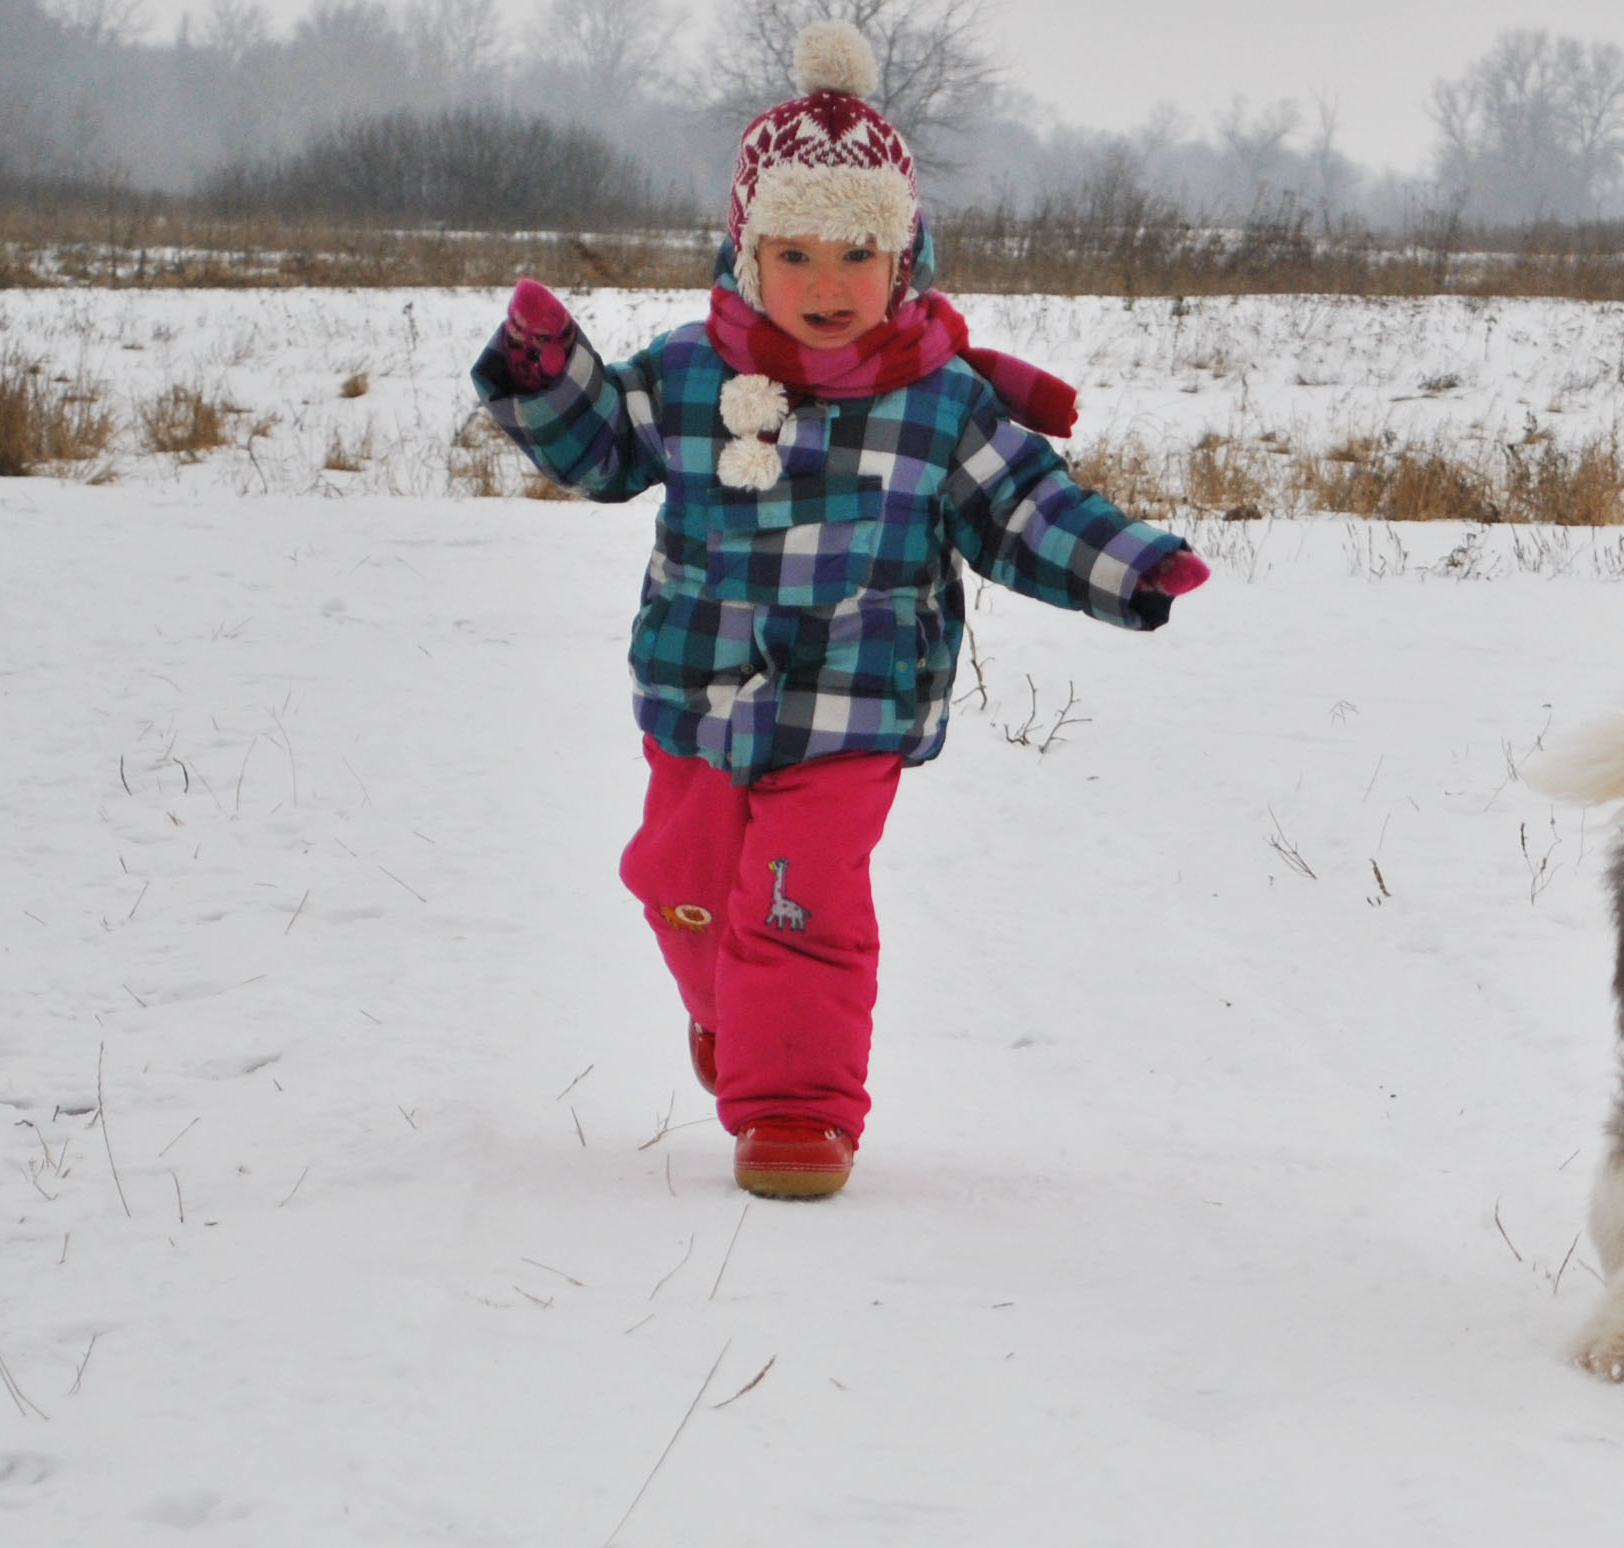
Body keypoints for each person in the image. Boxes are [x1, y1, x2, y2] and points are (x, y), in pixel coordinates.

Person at [472, 20, 1205, 1201]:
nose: (825, 285)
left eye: (854, 257)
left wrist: (1131, 564)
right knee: (681, 882)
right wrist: (549, 370)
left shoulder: (937, 403)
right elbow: (605, 451)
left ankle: (797, 1114)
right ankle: (741, 1020)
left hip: (852, 707)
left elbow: (1024, 504)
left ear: (904, 259)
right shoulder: (691, 373)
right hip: (697, 691)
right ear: (746, 252)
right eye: (795, 254)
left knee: (798, 897)